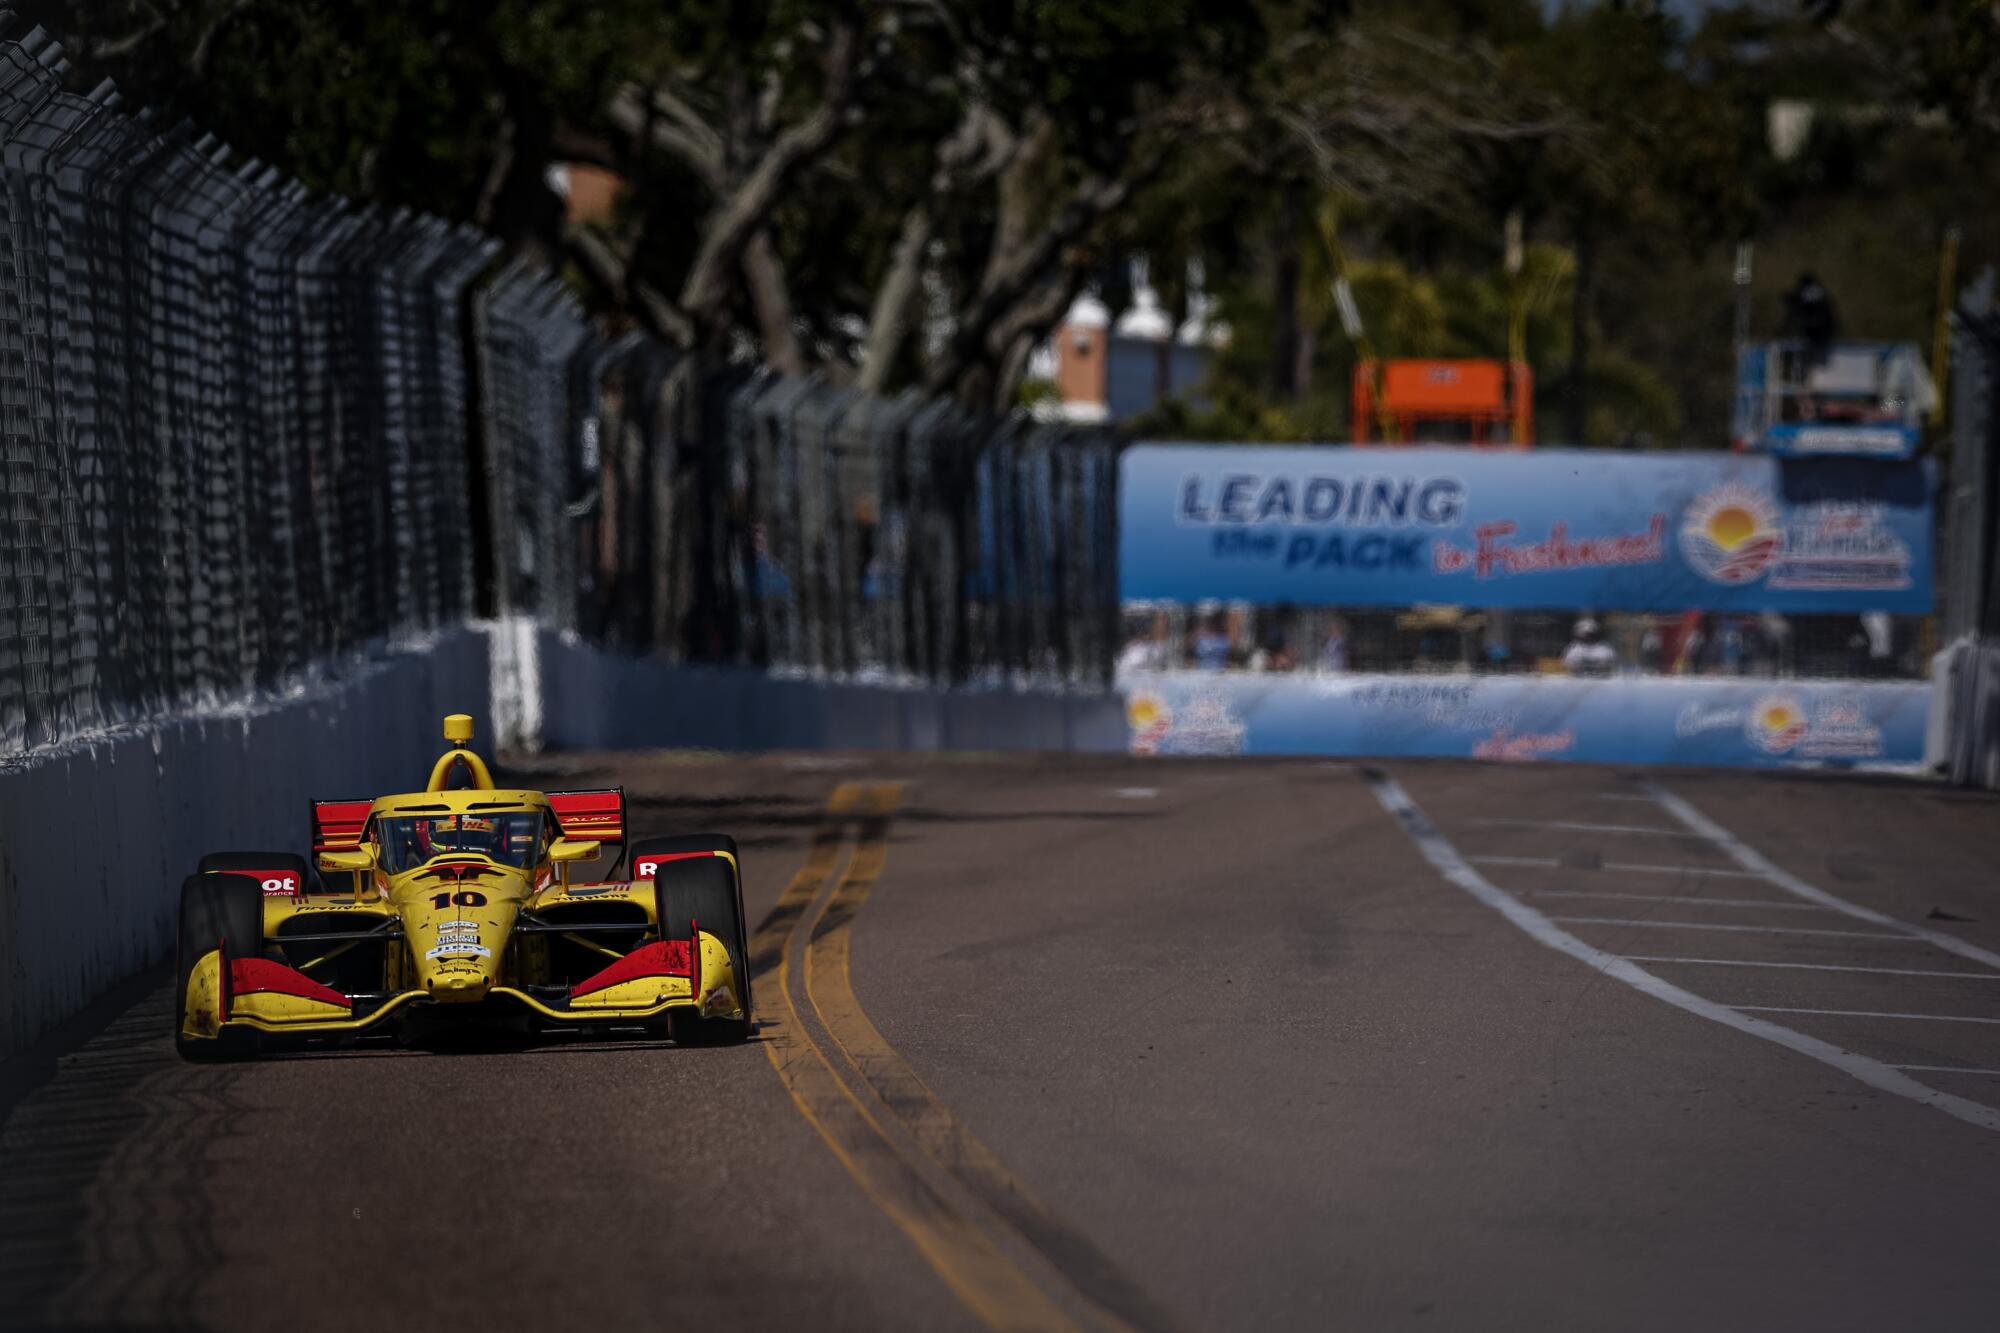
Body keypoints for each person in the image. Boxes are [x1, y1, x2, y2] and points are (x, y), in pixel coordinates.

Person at [1782, 270, 1839, 372]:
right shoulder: (1818, 294)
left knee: (1814, 362)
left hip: (1819, 334)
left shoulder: (1810, 295)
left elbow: (1797, 313)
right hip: (1818, 334)